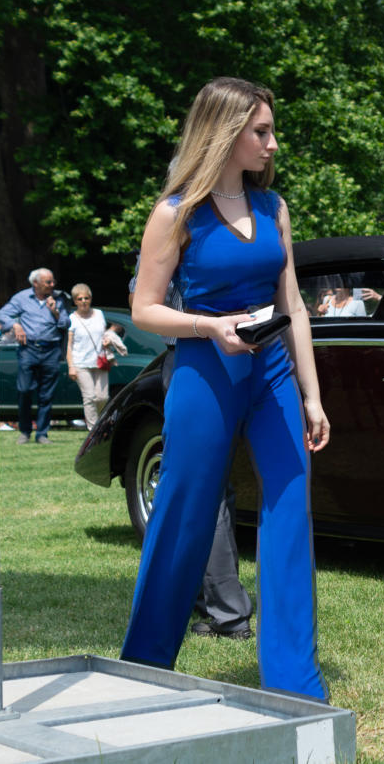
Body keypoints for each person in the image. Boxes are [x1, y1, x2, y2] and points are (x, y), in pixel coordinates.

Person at [120, 77, 329, 701]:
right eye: (261, 132)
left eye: (271, 131)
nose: (272, 144)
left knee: (290, 509)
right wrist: (209, 327)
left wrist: (312, 396)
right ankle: (144, 666)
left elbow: (292, 305)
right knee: (183, 512)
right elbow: (144, 309)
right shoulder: (175, 212)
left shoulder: (274, 208)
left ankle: (296, 683)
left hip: (273, 373)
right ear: (225, 132)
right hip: (204, 371)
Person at [129, 258, 254, 641]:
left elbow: (139, 299)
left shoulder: (176, 230)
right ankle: (210, 601)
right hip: (234, 355)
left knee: (203, 491)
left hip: (196, 359)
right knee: (213, 490)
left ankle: (227, 612)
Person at [0, 268, 70, 443]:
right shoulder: (22, 298)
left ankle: (42, 434)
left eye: (53, 281)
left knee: (46, 395)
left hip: (51, 350)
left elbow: (66, 323)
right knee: (24, 390)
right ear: (35, 283)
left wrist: (55, 312)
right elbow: (2, 314)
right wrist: (15, 325)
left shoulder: (59, 299)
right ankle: (25, 431)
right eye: (48, 282)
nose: (52, 285)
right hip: (28, 350)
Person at [65, 284, 109, 430]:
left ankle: (101, 424)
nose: (84, 301)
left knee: (102, 397)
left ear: (90, 299)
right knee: (89, 397)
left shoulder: (99, 314)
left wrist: (107, 339)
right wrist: (71, 366)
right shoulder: (72, 318)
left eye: (86, 298)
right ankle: (93, 429)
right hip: (80, 363)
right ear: (75, 301)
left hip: (100, 361)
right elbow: (69, 345)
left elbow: (104, 333)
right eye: (80, 299)